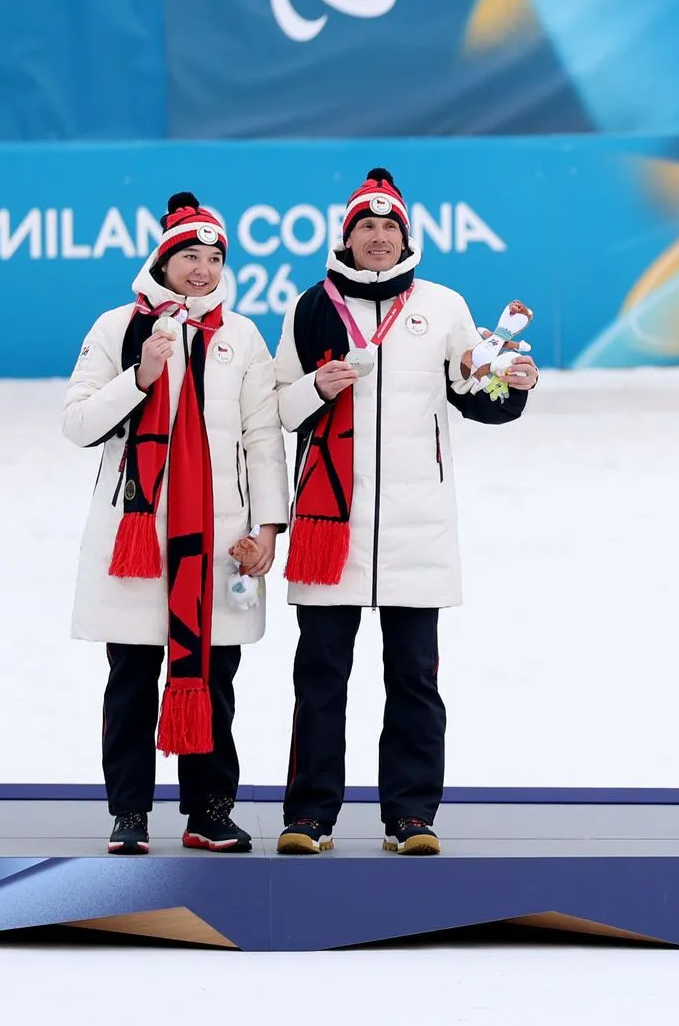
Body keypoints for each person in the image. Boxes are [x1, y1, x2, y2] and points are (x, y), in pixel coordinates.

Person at [272, 168, 539, 856]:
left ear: (406, 238)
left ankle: (411, 816)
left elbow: (472, 394)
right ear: (347, 238)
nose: (379, 238)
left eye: (390, 228)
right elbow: (278, 406)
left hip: (419, 527)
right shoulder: (310, 307)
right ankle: (309, 817)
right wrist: (316, 389)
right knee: (321, 678)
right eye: (367, 226)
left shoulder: (442, 304)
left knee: (415, 679)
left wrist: (513, 386)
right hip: (330, 526)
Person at [63, 193, 289, 855]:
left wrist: (270, 529)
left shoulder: (240, 336)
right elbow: (76, 424)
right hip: (136, 538)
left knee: (216, 681)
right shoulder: (117, 328)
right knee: (131, 678)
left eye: (214, 256)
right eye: (189, 254)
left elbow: (262, 436)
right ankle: (128, 812)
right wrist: (141, 376)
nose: (202, 268)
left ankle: (209, 810)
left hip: (218, 542)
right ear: (162, 260)